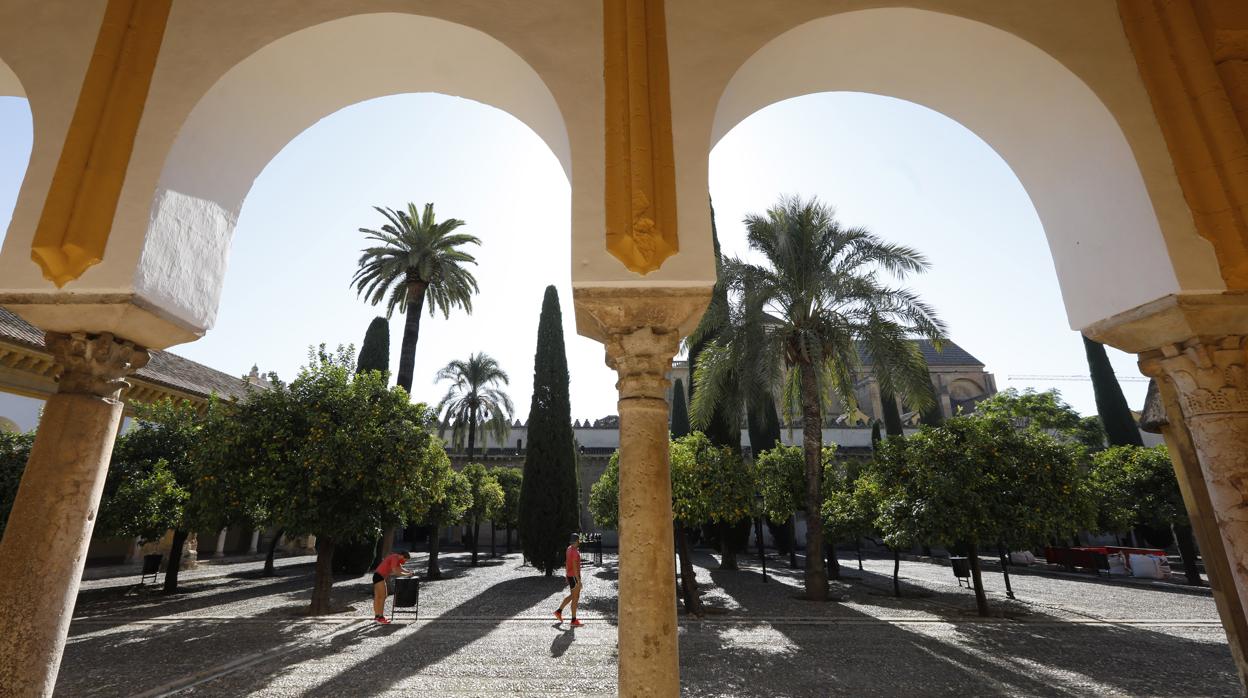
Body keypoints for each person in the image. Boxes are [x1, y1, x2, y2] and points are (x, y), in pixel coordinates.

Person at [372, 550, 413, 624]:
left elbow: (401, 569)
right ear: (402, 556)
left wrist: (409, 572)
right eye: (405, 560)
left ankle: (377, 617)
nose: (405, 562)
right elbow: (395, 571)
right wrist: (407, 575)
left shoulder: (396, 559)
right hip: (379, 576)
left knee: (378, 597)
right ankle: (380, 618)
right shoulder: (395, 558)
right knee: (382, 597)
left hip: (378, 576)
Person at [554, 533, 583, 627]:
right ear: (577, 541)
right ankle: (573, 620)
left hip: (571, 576)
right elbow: (574, 568)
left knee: (573, 596)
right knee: (575, 598)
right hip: (574, 576)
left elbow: (567, 563)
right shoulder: (574, 552)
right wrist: (578, 581)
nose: (579, 542)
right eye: (579, 540)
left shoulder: (569, 548)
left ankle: (559, 611)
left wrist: (567, 575)